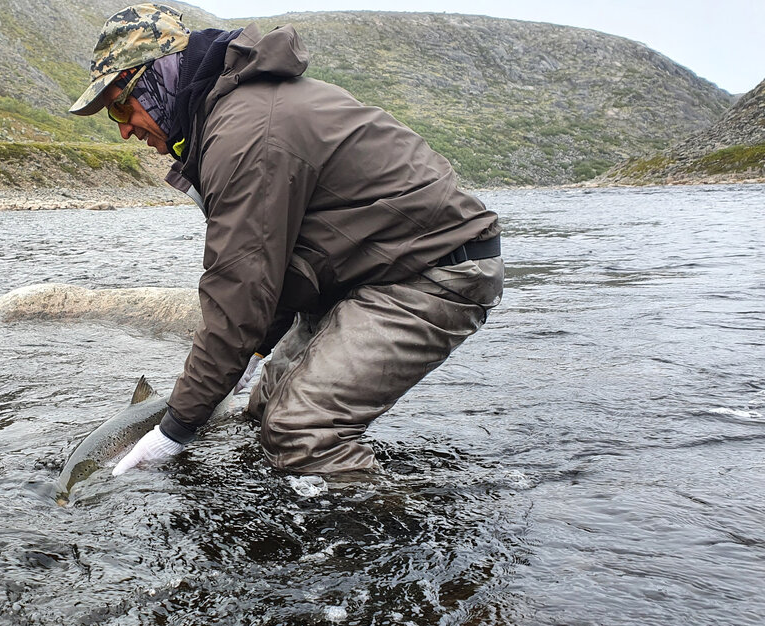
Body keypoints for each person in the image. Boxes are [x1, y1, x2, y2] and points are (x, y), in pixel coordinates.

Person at [68, 3, 504, 475]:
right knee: (262, 411)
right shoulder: (233, 117)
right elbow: (274, 266)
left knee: (300, 430)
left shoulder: (247, 134)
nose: (124, 129)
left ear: (159, 79)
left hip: (430, 271)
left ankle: (384, 536)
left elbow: (238, 289)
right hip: (368, 270)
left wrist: (175, 431)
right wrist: (256, 351)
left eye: (120, 104)